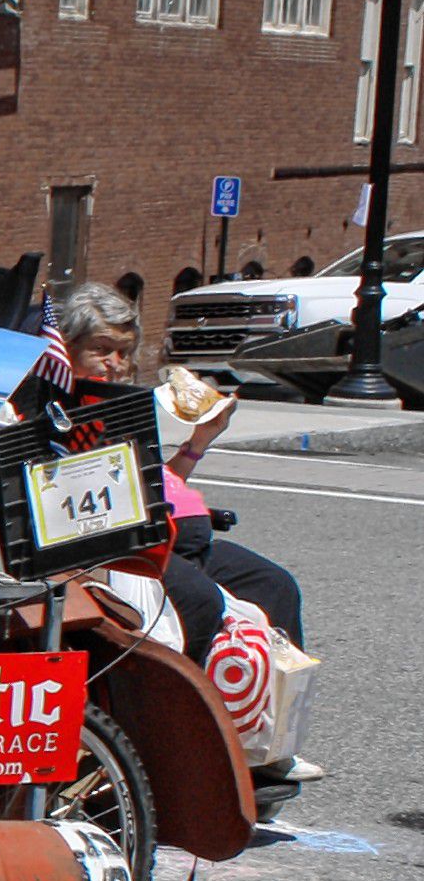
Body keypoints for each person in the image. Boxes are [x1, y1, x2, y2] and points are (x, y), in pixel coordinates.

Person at [56, 284, 309, 754]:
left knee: (273, 583)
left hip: (183, 535)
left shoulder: (121, 405)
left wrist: (200, 440)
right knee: (198, 600)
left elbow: (159, 481)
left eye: (125, 353)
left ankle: (266, 740)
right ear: (67, 350)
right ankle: (181, 745)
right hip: (123, 546)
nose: (115, 363)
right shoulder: (61, 412)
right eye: (101, 351)